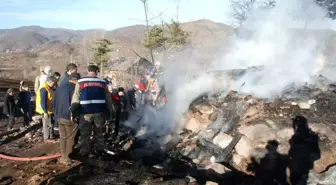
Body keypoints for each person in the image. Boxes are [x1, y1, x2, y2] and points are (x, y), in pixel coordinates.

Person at [70, 64, 114, 157]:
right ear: (97, 71)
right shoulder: (102, 82)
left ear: (88, 70)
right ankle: (100, 149)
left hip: (85, 112)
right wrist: (110, 111)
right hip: (99, 112)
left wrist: (73, 111)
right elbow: (108, 98)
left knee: (85, 133)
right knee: (99, 132)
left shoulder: (81, 81)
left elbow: (76, 98)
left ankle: (84, 151)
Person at [52, 73, 81, 166]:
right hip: (69, 117)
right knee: (71, 137)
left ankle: (63, 155)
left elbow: (53, 103)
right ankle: (68, 157)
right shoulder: (74, 88)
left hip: (59, 116)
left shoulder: (59, 88)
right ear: (76, 80)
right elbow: (75, 103)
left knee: (63, 137)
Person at [36, 76, 57, 143]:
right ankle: (47, 138)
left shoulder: (48, 87)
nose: (54, 85)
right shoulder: (44, 89)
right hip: (45, 110)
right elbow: (43, 102)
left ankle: (51, 136)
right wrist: (45, 112)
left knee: (50, 123)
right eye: (53, 83)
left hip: (49, 109)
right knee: (47, 124)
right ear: (50, 82)